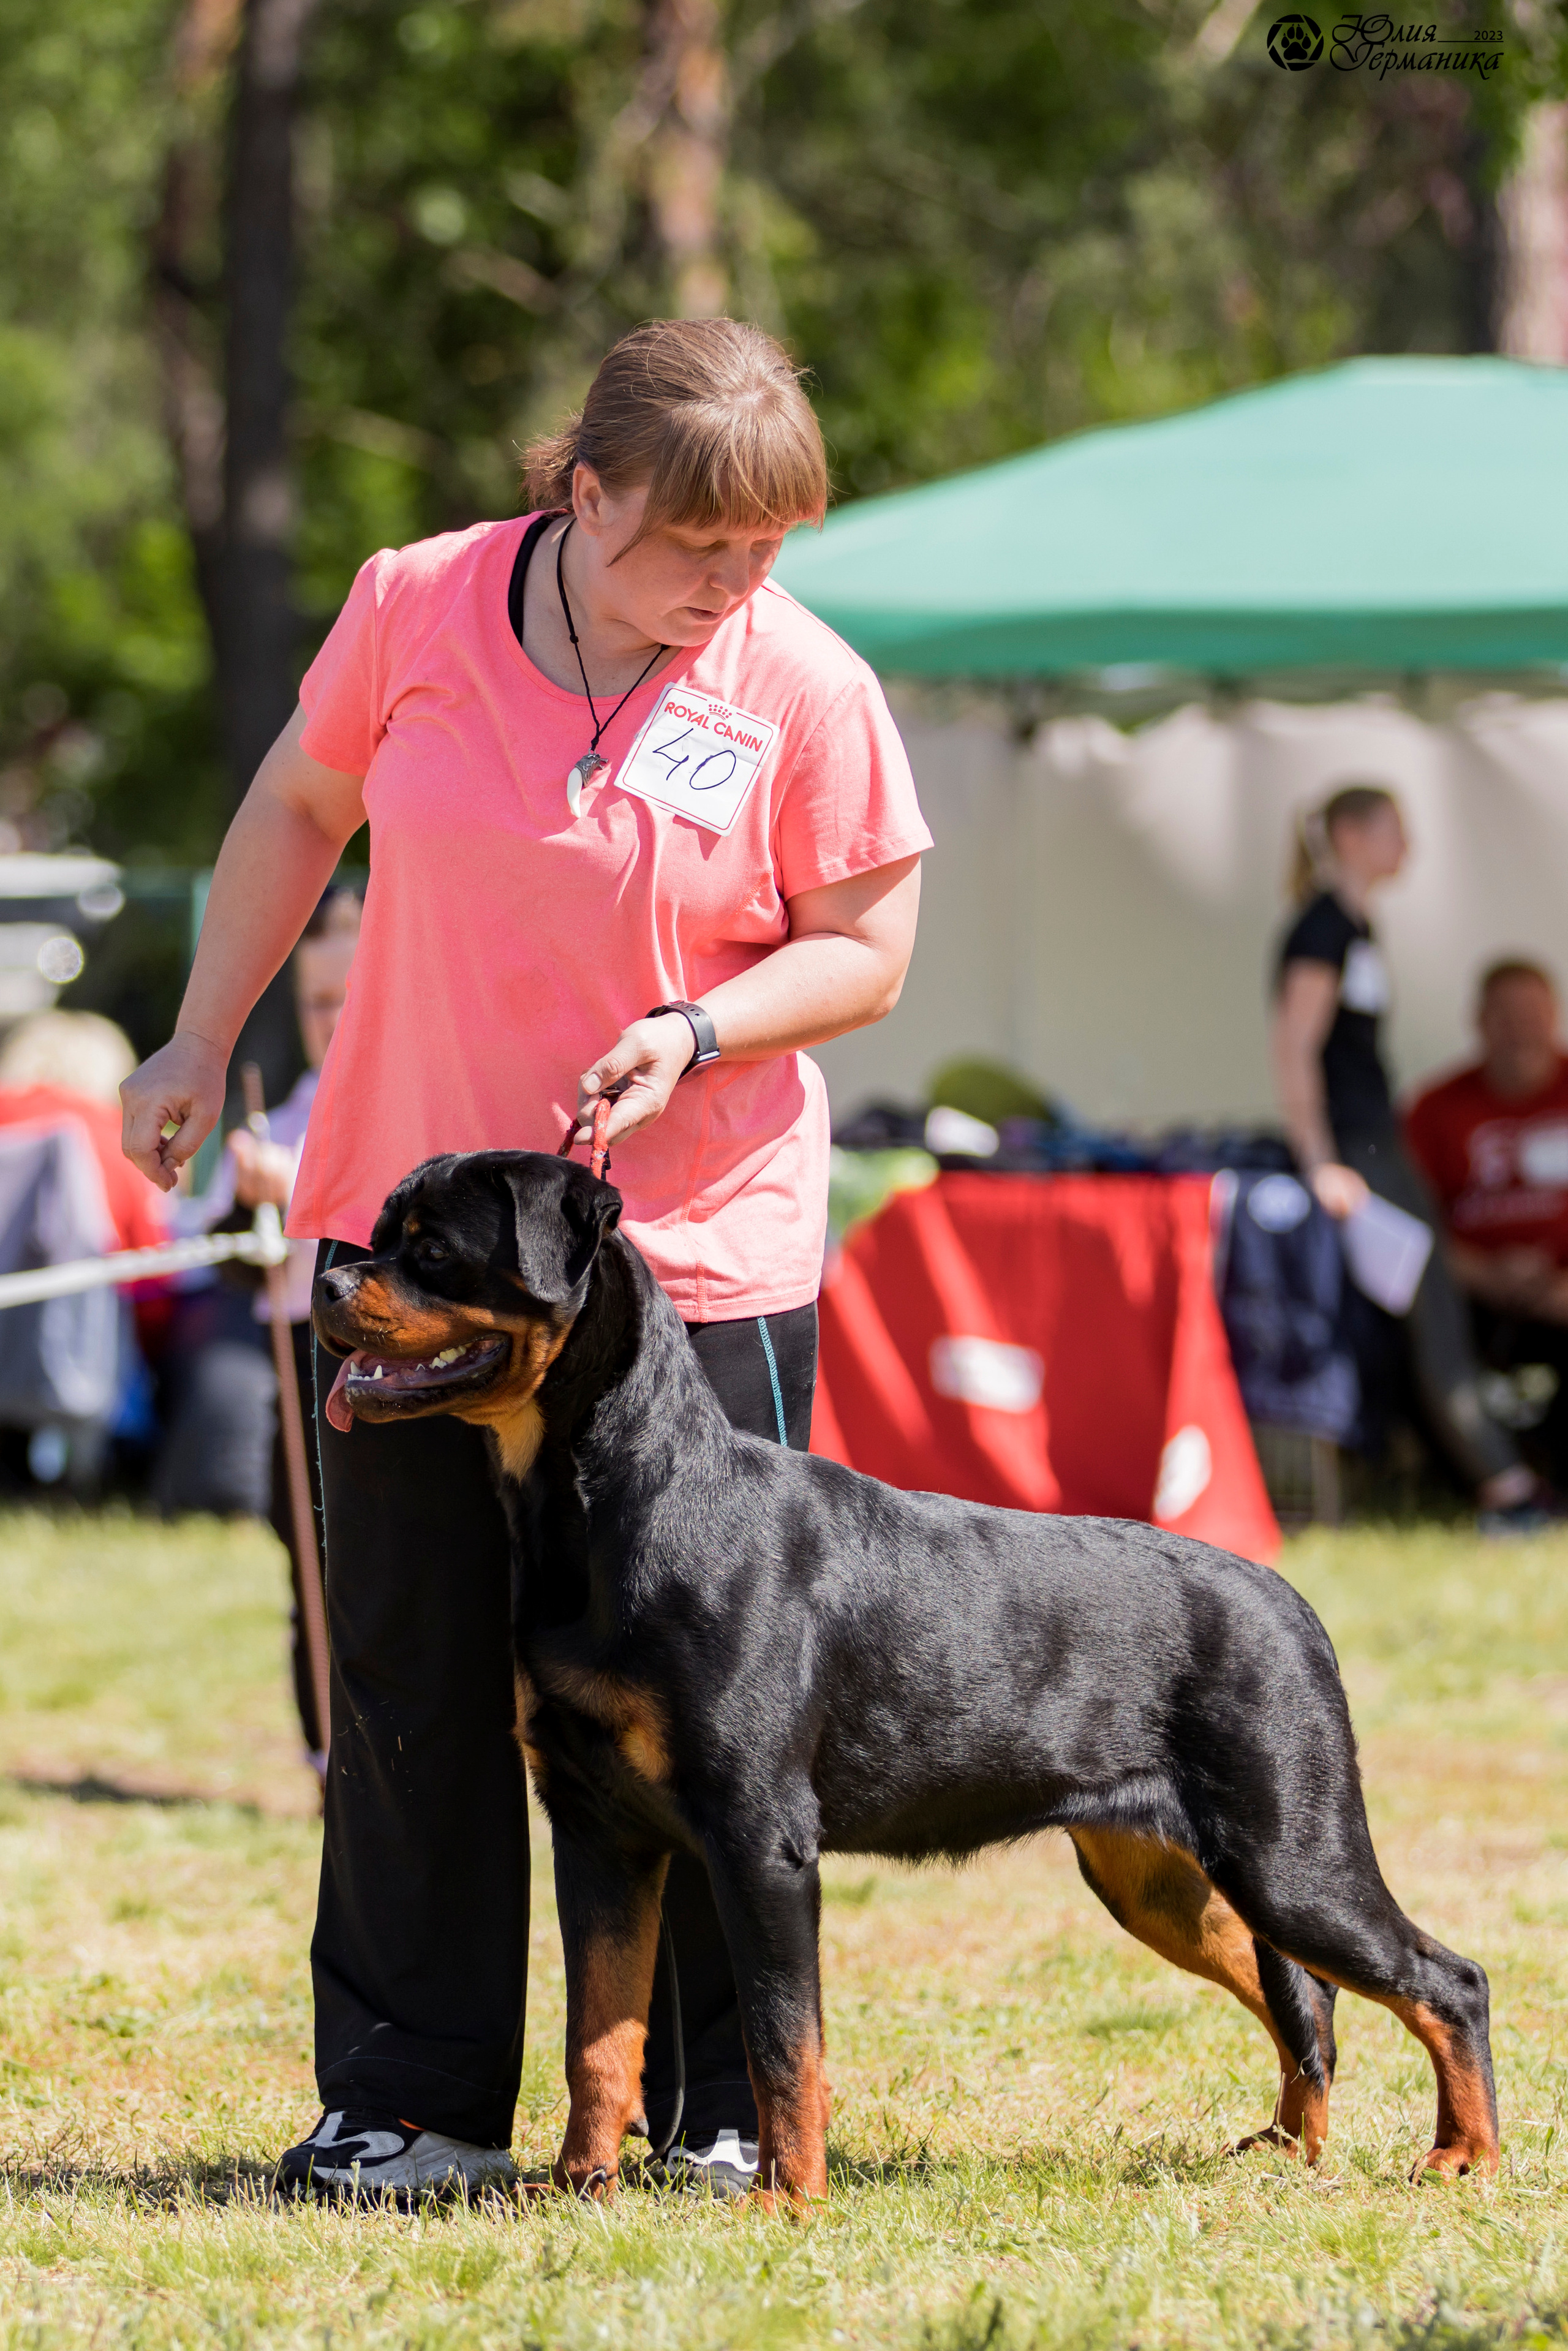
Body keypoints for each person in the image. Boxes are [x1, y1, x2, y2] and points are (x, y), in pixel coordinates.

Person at [120, 318, 930, 2203]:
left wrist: (702, 1026)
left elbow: (868, 950)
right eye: (695, 549)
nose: (734, 586)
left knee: (723, 1707)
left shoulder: (805, 682)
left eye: (769, 548)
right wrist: (193, 1033)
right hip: (406, 1253)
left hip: (685, 1269)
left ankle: (726, 2106)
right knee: (407, 1677)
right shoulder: (413, 604)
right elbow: (296, 809)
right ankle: (411, 2104)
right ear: (582, 497)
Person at [1268, 783, 1548, 1528]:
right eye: (1395, 830)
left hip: (1373, 1142)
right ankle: (1503, 1489)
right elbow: (1294, 1045)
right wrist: (1320, 1157)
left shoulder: (1355, 923)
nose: (1409, 847)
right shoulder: (1322, 926)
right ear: (1354, 838)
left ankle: (1496, 1479)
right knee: (1435, 1314)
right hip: (1356, 1151)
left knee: (1433, 1311)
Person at [172, 887, 363, 1777]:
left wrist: (304, 1191)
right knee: (314, 1558)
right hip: (304, 1363)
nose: (335, 1018)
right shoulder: (275, 1126)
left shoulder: (417, 1115)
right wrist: (255, 1201)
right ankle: (328, 1752)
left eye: (353, 994)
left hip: (399, 1367)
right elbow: (210, 1258)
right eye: (320, 1000)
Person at [1405, 959, 1568, 1484]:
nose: (1519, 1029)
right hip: (1471, 1294)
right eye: (1504, 1015)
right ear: (1478, 1022)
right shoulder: (1434, 1109)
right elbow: (1408, 1230)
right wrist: (1482, 1274)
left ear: (1554, 1017)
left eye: (1531, 1014)